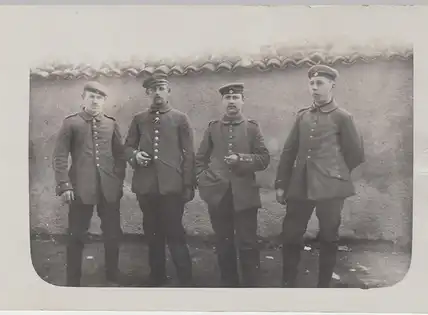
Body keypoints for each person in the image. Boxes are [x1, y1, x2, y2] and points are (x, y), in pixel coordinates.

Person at [275, 65, 365, 288]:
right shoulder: (303, 117)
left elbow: (355, 153)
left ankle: (323, 286)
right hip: (300, 185)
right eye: (312, 83)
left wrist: (335, 174)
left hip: (331, 188)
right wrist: (281, 184)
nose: (314, 88)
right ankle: (288, 283)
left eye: (320, 83)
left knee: (329, 238)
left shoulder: (343, 117)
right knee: (290, 235)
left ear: (332, 86)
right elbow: (289, 151)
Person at [195, 83, 270, 287]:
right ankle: (229, 286)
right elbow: (200, 159)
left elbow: (264, 159)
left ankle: (251, 287)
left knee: (248, 243)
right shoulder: (213, 128)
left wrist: (241, 159)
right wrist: (204, 181)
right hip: (218, 195)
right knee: (223, 243)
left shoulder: (252, 128)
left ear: (242, 101)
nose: (231, 101)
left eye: (236, 97)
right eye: (227, 98)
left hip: (245, 195)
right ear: (222, 102)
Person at [124, 73, 195, 287]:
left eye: (162, 88)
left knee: (175, 233)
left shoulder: (180, 118)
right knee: (152, 234)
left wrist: (188, 184)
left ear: (168, 91)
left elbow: (189, 154)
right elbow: (127, 147)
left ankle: (186, 279)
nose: (158, 93)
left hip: (172, 187)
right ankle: (157, 277)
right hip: (146, 188)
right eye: (153, 89)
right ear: (148, 93)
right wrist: (135, 156)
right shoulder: (139, 119)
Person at [52, 81, 126, 287]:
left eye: (100, 97)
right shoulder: (71, 123)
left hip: (108, 189)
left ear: (104, 101)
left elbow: (120, 156)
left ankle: (113, 275)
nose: (95, 100)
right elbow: (59, 156)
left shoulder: (111, 124)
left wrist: (118, 180)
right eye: (91, 96)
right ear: (83, 98)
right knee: (76, 235)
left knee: (112, 234)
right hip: (79, 189)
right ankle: (72, 281)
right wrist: (64, 185)